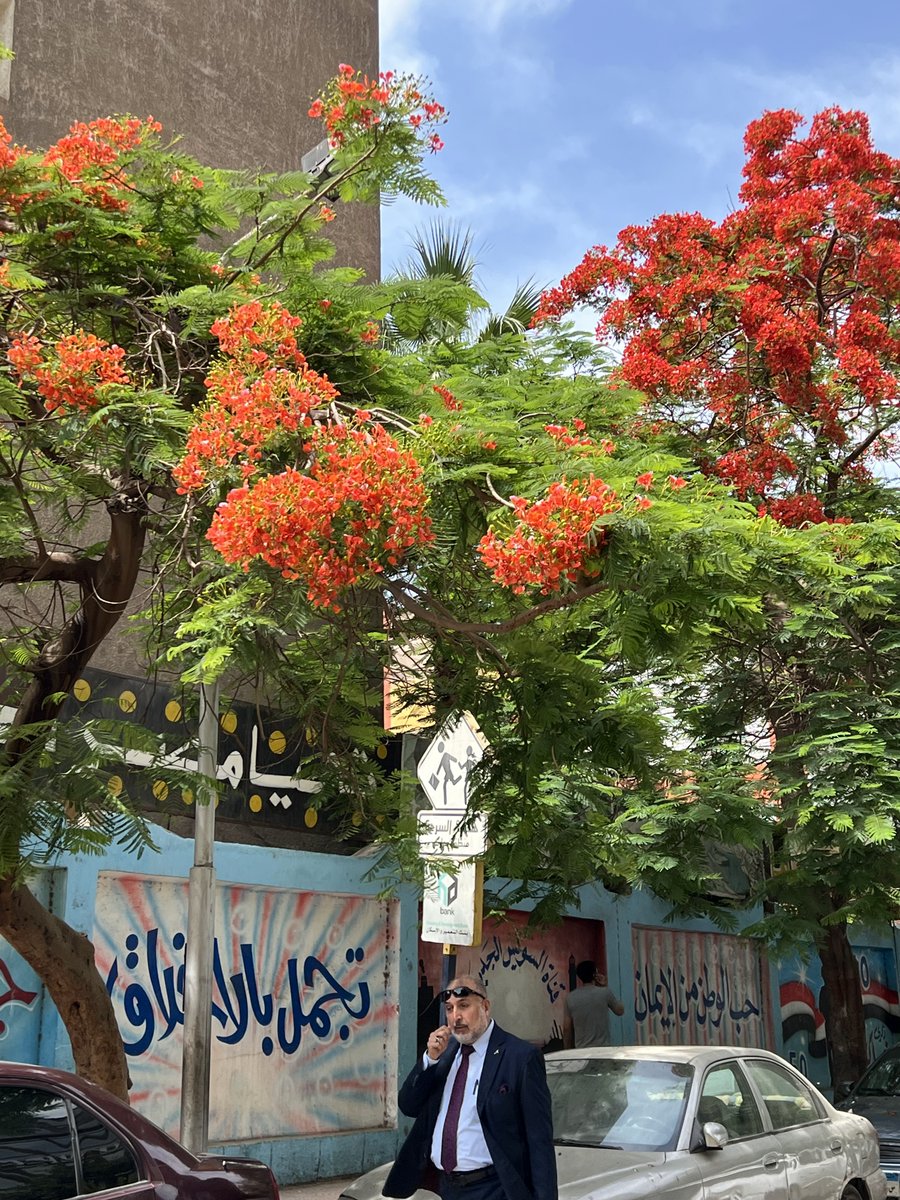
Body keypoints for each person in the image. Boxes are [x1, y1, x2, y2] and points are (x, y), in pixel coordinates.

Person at [383, 974, 557, 1200]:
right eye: (449, 1009)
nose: (456, 1017)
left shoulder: (519, 1057)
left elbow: (539, 1141)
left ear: (485, 1006)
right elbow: (408, 1105)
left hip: (493, 1188)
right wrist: (430, 1059)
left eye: (464, 1006)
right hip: (446, 1188)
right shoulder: (445, 1054)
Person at [563, 960, 624, 1049]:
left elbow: (567, 1028)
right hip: (602, 1050)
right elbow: (620, 1011)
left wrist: (567, 1051)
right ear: (595, 975)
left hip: (581, 1051)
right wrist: (604, 986)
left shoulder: (570, 998)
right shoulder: (604, 993)